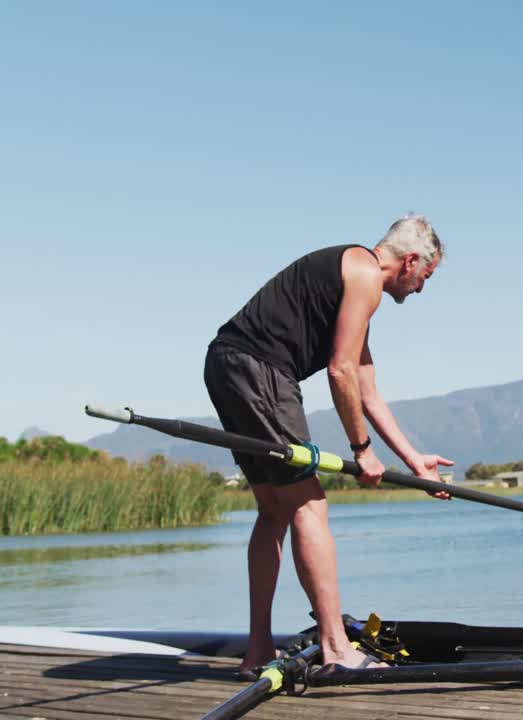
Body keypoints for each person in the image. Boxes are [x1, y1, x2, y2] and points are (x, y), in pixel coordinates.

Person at [204, 213, 453, 677]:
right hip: (259, 369)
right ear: (411, 261)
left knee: (275, 509)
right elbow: (339, 370)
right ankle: (336, 646)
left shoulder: (354, 286)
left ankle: (258, 650)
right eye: (426, 277)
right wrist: (362, 450)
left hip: (227, 362)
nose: (422, 288)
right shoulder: (362, 273)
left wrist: (414, 460)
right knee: (310, 505)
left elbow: (367, 391)